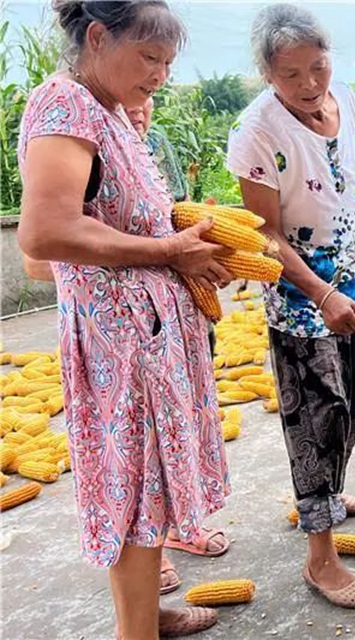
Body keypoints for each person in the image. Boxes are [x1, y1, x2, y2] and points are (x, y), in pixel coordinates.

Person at [17, 1, 232, 636]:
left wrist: (187, 247)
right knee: (135, 491)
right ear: (97, 35)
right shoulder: (65, 105)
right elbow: (46, 229)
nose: (160, 75)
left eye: (167, 63)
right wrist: (167, 252)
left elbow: (120, 215)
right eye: (148, 58)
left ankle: (143, 614)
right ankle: (134, 630)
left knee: (147, 489)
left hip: (148, 339)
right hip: (120, 348)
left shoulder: (108, 110)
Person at [225, 3, 355, 609]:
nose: (311, 84)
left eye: (319, 66)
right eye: (293, 75)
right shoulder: (257, 132)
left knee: (345, 402)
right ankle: (322, 558)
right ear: (267, 74)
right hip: (300, 297)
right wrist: (321, 291)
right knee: (312, 421)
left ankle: (332, 493)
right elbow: (265, 231)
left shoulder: (351, 103)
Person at [124, 98, 230, 593]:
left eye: (148, 101)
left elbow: (181, 220)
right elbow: (44, 255)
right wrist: (164, 254)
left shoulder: (157, 148)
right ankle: (153, 550)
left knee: (181, 428)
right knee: (144, 449)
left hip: (178, 316)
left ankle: (180, 528)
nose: (141, 109)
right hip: (129, 327)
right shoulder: (88, 150)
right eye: (132, 97)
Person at [126, 96, 188, 202]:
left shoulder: (157, 140)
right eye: (125, 97)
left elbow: (184, 198)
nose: (136, 108)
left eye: (146, 93)